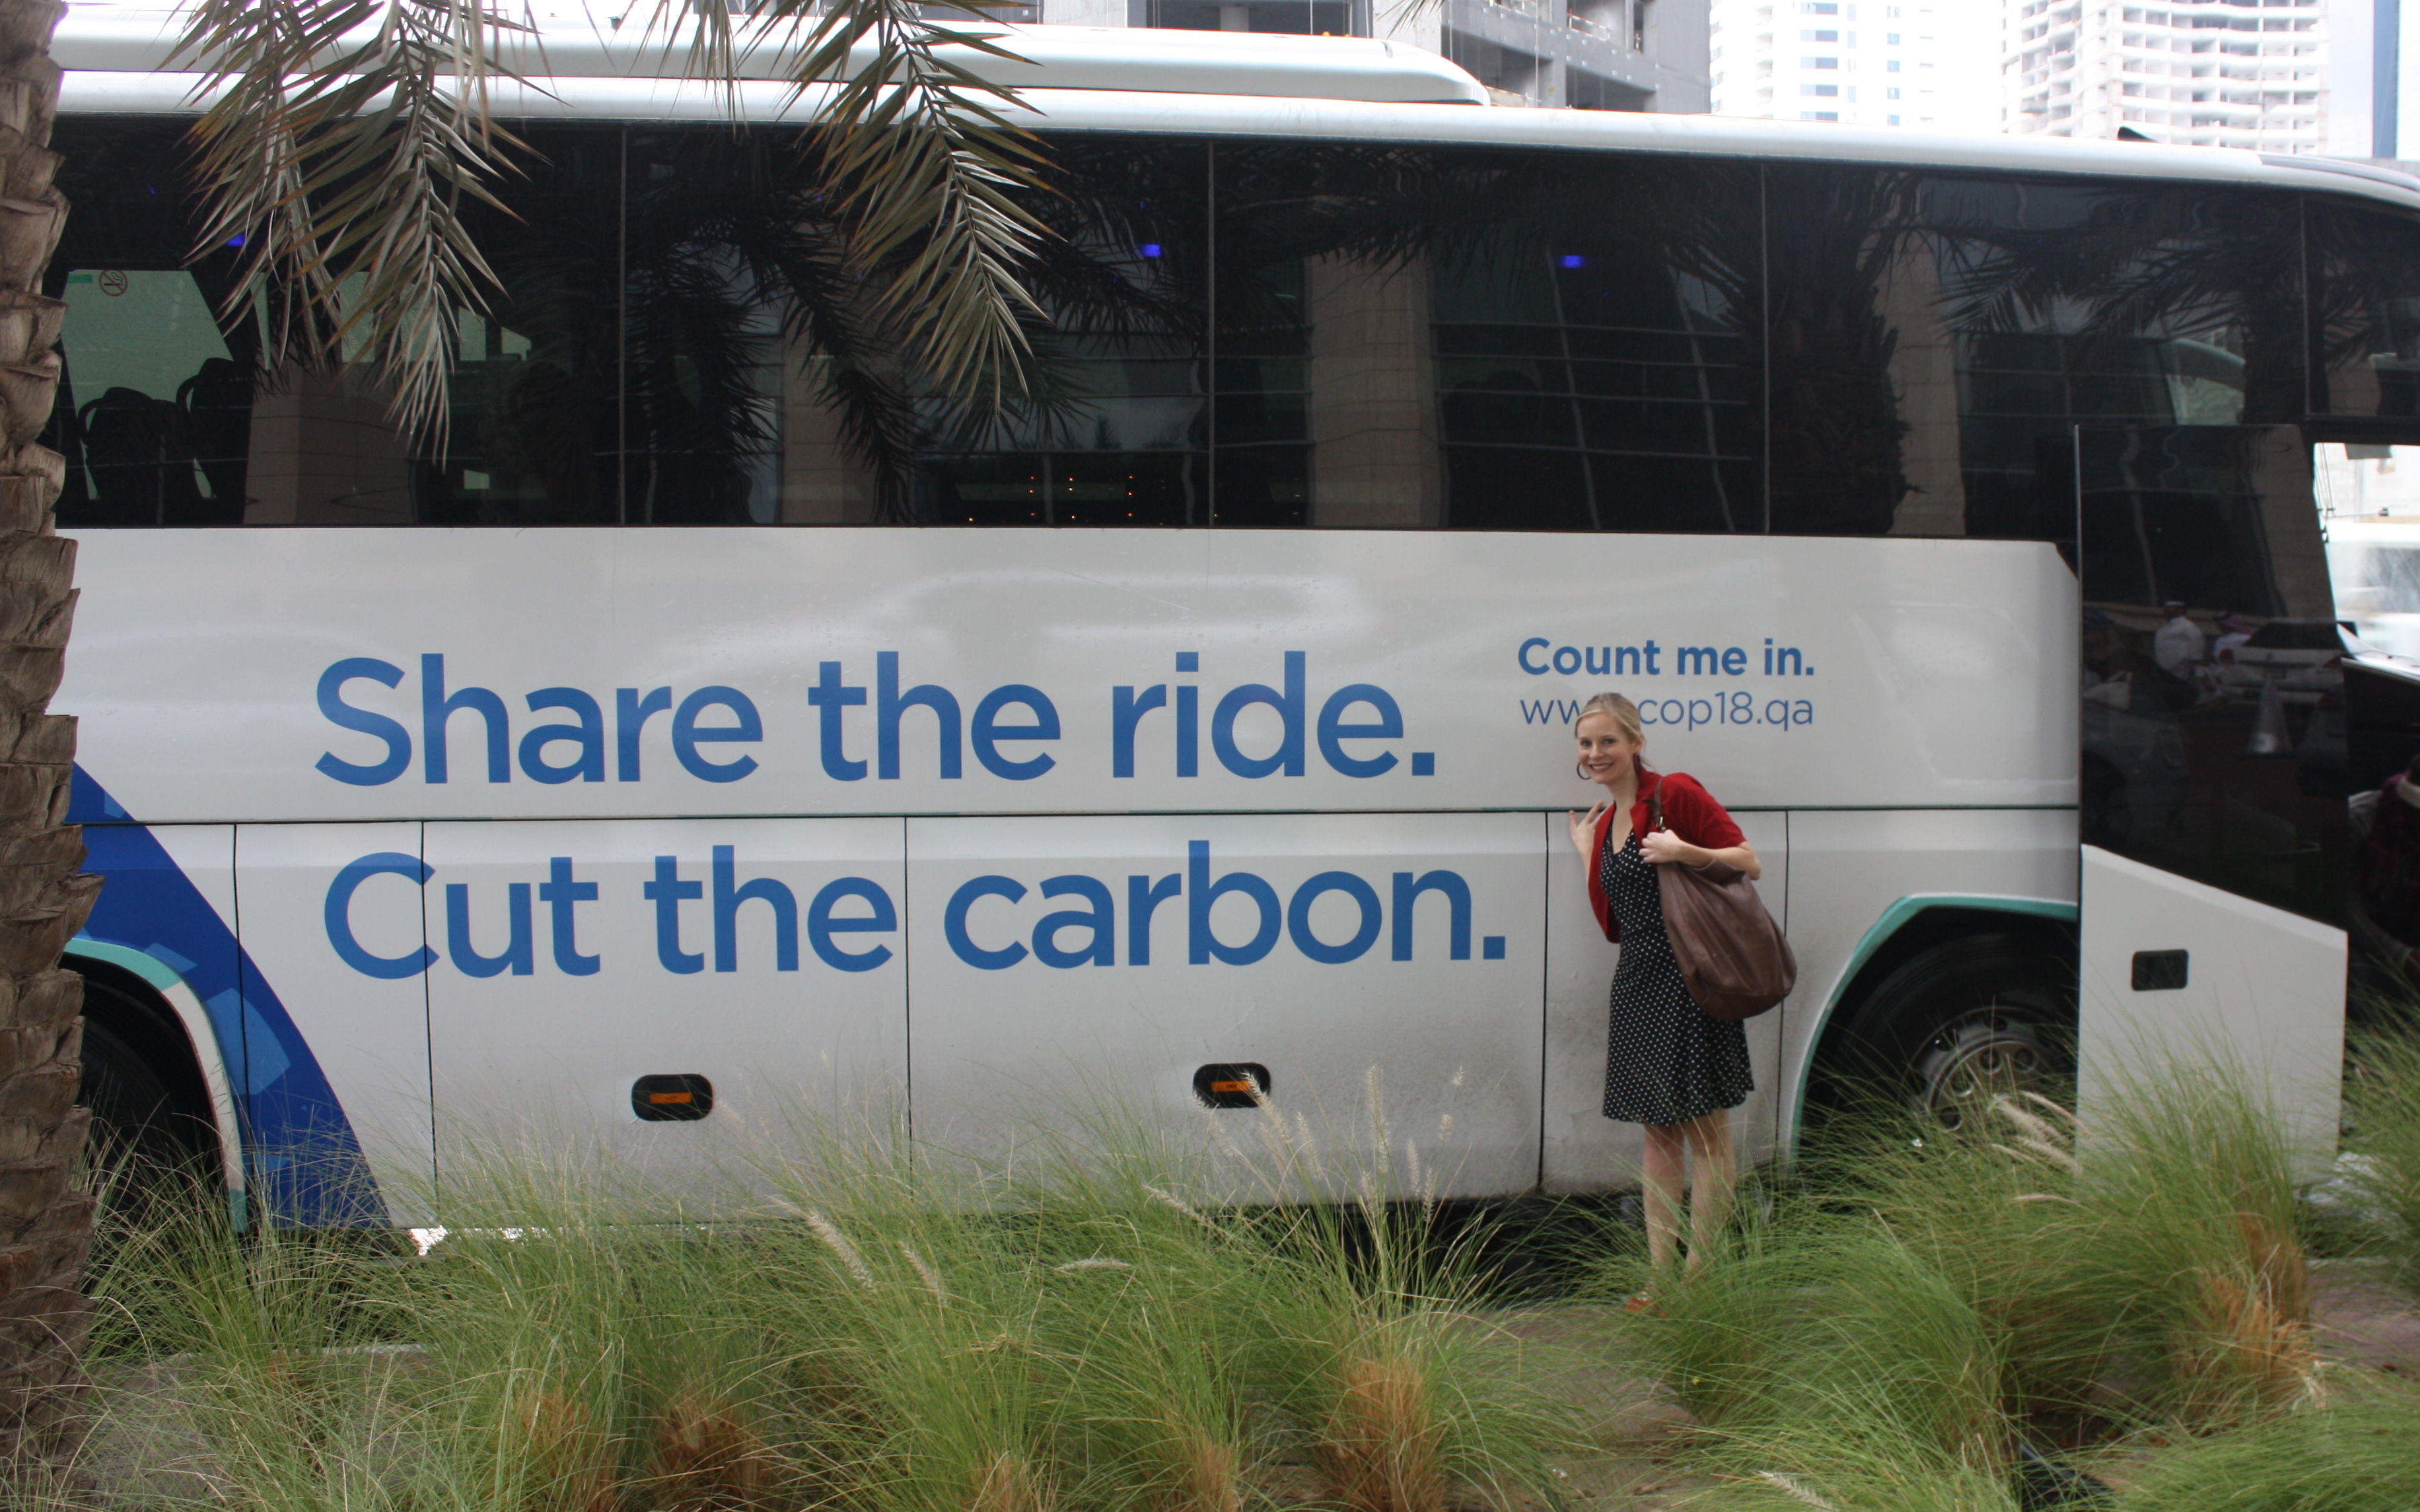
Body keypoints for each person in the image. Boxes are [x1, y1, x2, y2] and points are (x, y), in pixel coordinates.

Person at [1564, 691, 1760, 1283]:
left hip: (1689, 978)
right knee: (1658, 1137)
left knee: (1708, 1135)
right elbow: (1616, 922)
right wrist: (1587, 853)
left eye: (1608, 741)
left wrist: (1684, 850)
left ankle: (1699, 1275)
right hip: (1639, 981)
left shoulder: (1673, 793)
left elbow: (1747, 860)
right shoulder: (1605, 824)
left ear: (1636, 743)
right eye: (1586, 743)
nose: (1596, 753)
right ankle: (1660, 1279)